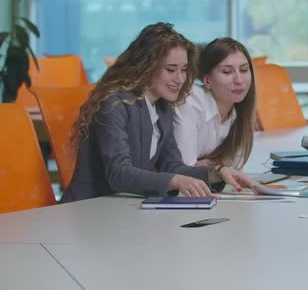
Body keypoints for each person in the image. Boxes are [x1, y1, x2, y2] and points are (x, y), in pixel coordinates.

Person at [61, 23, 256, 203]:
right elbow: (119, 173)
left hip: (121, 211)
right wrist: (175, 181)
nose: (180, 79)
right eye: (171, 70)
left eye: (184, 70)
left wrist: (217, 172)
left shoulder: (162, 107)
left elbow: (172, 166)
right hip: (88, 209)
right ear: (146, 67)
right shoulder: (114, 104)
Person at [174, 37, 256, 169]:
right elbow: (184, 171)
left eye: (244, 70)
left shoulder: (239, 114)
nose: (239, 80)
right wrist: (212, 169)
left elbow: (231, 170)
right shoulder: (191, 101)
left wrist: (207, 167)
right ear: (207, 81)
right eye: (227, 72)